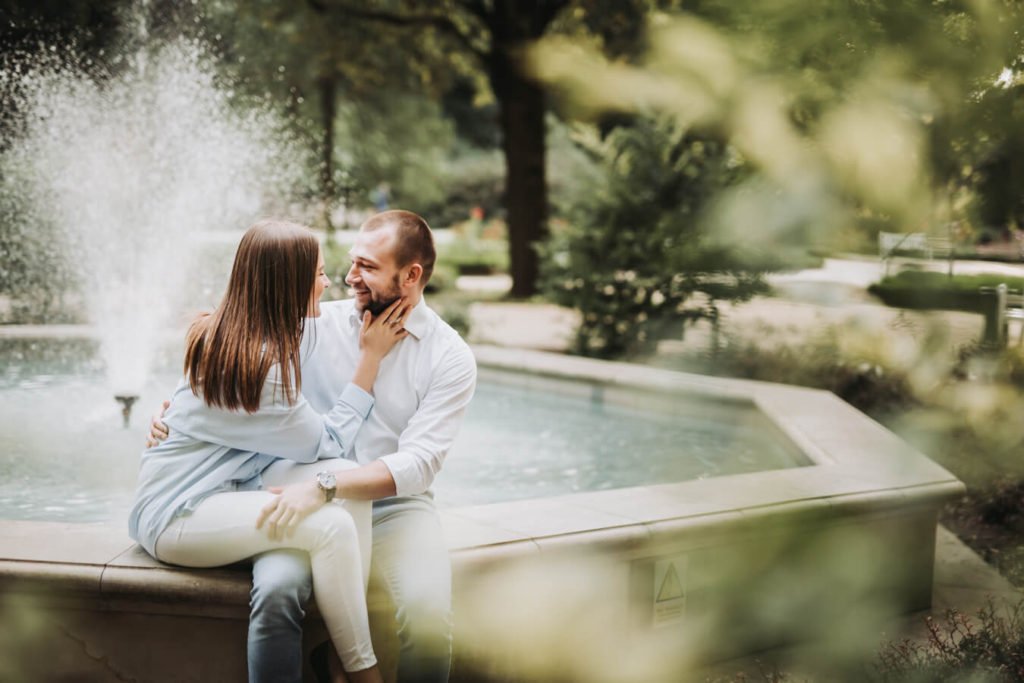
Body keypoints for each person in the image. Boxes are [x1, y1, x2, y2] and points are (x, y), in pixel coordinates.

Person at [149, 210, 478, 683]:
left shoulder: (449, 356)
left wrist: (327, 485)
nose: (348, 277)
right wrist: (172, 414)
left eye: (366, 266)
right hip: (291, 493)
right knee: (278, 591)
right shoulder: (314, 322)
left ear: (410, 276)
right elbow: (236, 370)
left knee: (429, 612)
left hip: (395, 507)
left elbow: (418, 465)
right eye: (350, 262)